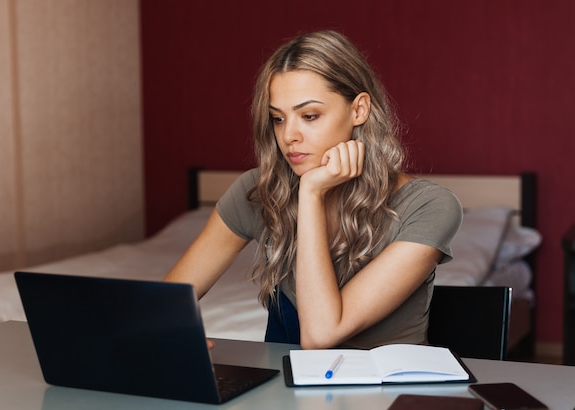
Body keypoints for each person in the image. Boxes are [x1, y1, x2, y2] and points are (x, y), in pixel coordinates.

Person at [164, 30, 462, 350]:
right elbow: (160, 308)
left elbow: (320, 335)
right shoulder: (257, 191)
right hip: (283, 394)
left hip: (389, 393)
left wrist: (310, 194)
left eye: (309, 116)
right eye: (278, 118)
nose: (289, 135)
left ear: (358, 110)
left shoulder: (428, 206)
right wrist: (172, 332)